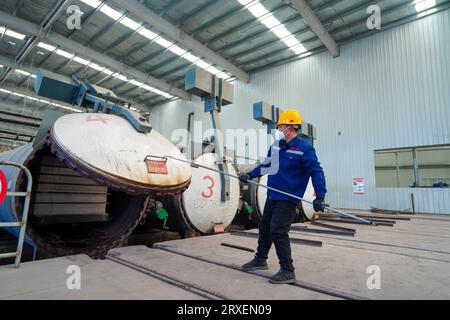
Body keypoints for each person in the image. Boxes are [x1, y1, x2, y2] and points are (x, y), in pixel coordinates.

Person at [238, 109, 327, 284]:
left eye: (283, 125)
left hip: (288, 198)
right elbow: (266, 166)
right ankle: (260, 259)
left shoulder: (305, 149)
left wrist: (320, 196)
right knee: (264, 228)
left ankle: (287, 270)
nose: (280, 128)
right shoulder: (277, 146)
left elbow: (316, 172)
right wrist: (249, 175)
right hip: (273, 195)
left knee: (278, 231)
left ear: (292, 126)